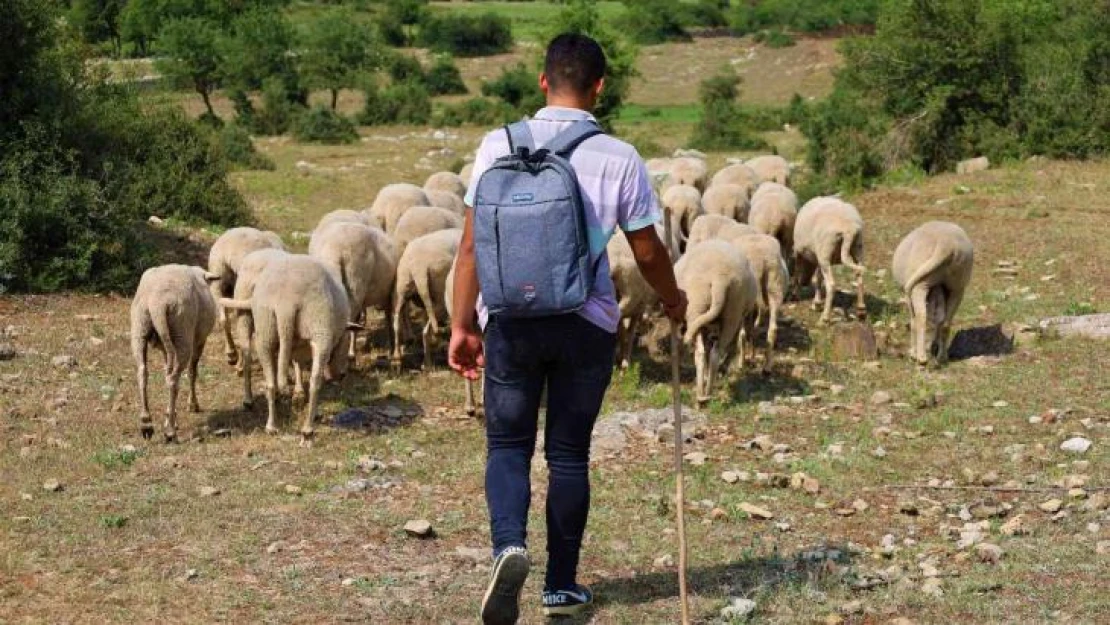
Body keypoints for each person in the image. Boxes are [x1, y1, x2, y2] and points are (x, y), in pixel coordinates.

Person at [448, 32, 687, 624]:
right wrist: (673, 299)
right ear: (600, 87)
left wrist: (461, 325)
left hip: (509, 321)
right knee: (568, 454)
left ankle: (508, 546)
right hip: (586, 323)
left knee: (507, 445)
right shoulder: (619, 156)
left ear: (542, 80)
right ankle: (559, 586)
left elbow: (472, 247)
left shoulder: (495, 144)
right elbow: (648, 251)